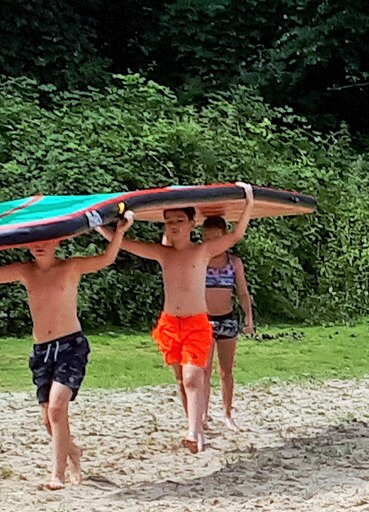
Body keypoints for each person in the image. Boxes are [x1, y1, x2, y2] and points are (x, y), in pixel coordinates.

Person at [0, 211, 133, 490]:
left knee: (58, 409)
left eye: (46, 239)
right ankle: (73, 453)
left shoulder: (70, 267)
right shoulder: (25, 271)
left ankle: (57, 475)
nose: (39, 245)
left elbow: (106, 259)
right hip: (42, 351)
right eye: (33, 240)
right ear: (26, 243)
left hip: (71, 346)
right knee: (48, 419)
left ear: (57, 241)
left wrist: (119, 232)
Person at [101, 183, 254, 453]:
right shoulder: (163, 253)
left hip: (197, 323)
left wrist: (249, 202)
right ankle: (196, 426)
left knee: (194, 377)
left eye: (180, 220)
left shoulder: (201, 251)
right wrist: (101, 225)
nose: (174, 226)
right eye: (170, 221)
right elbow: (125, 244)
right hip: (170, 324)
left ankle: (194, 433)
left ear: (192, 223)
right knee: (182, 381)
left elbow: (236, 235)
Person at [200, 216, 255, 431]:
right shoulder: (200, 259)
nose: (212, 242)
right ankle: (202, 414)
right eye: (207, 238)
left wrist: (249, 317)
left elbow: (242, 292)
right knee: (203, 370)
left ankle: (227, 413)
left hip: (227, 319)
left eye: (216, 238)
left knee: (226, 370)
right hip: (203, 321)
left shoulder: (234, 262)